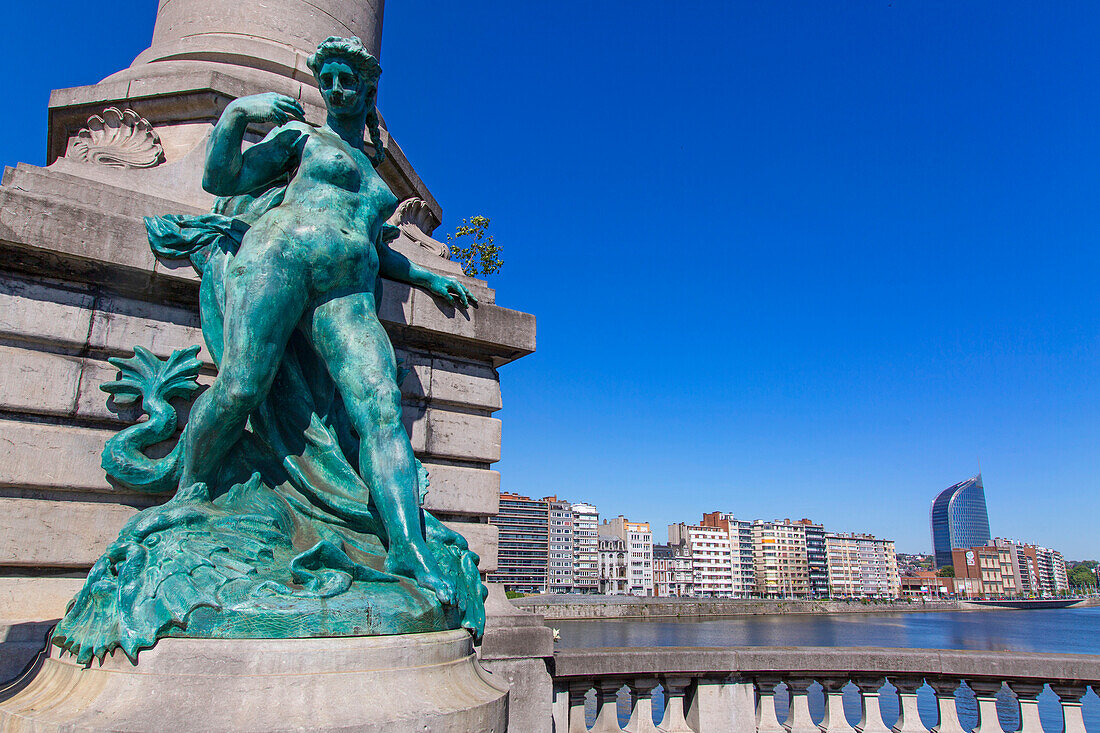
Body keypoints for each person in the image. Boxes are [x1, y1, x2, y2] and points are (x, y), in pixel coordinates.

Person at [180, 36, 472, 604]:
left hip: (349, 290)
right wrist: (239, 114)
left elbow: (370, 245)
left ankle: (407, 547)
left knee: (381, 408)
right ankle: (190, 492)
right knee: (241, 383)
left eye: (347, 79)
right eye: (328, 78)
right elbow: (222, 180)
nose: (335, 88)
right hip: (282, 254)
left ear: (368, 88)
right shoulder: (303, 139)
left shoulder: (378, 178)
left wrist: (425, 276)